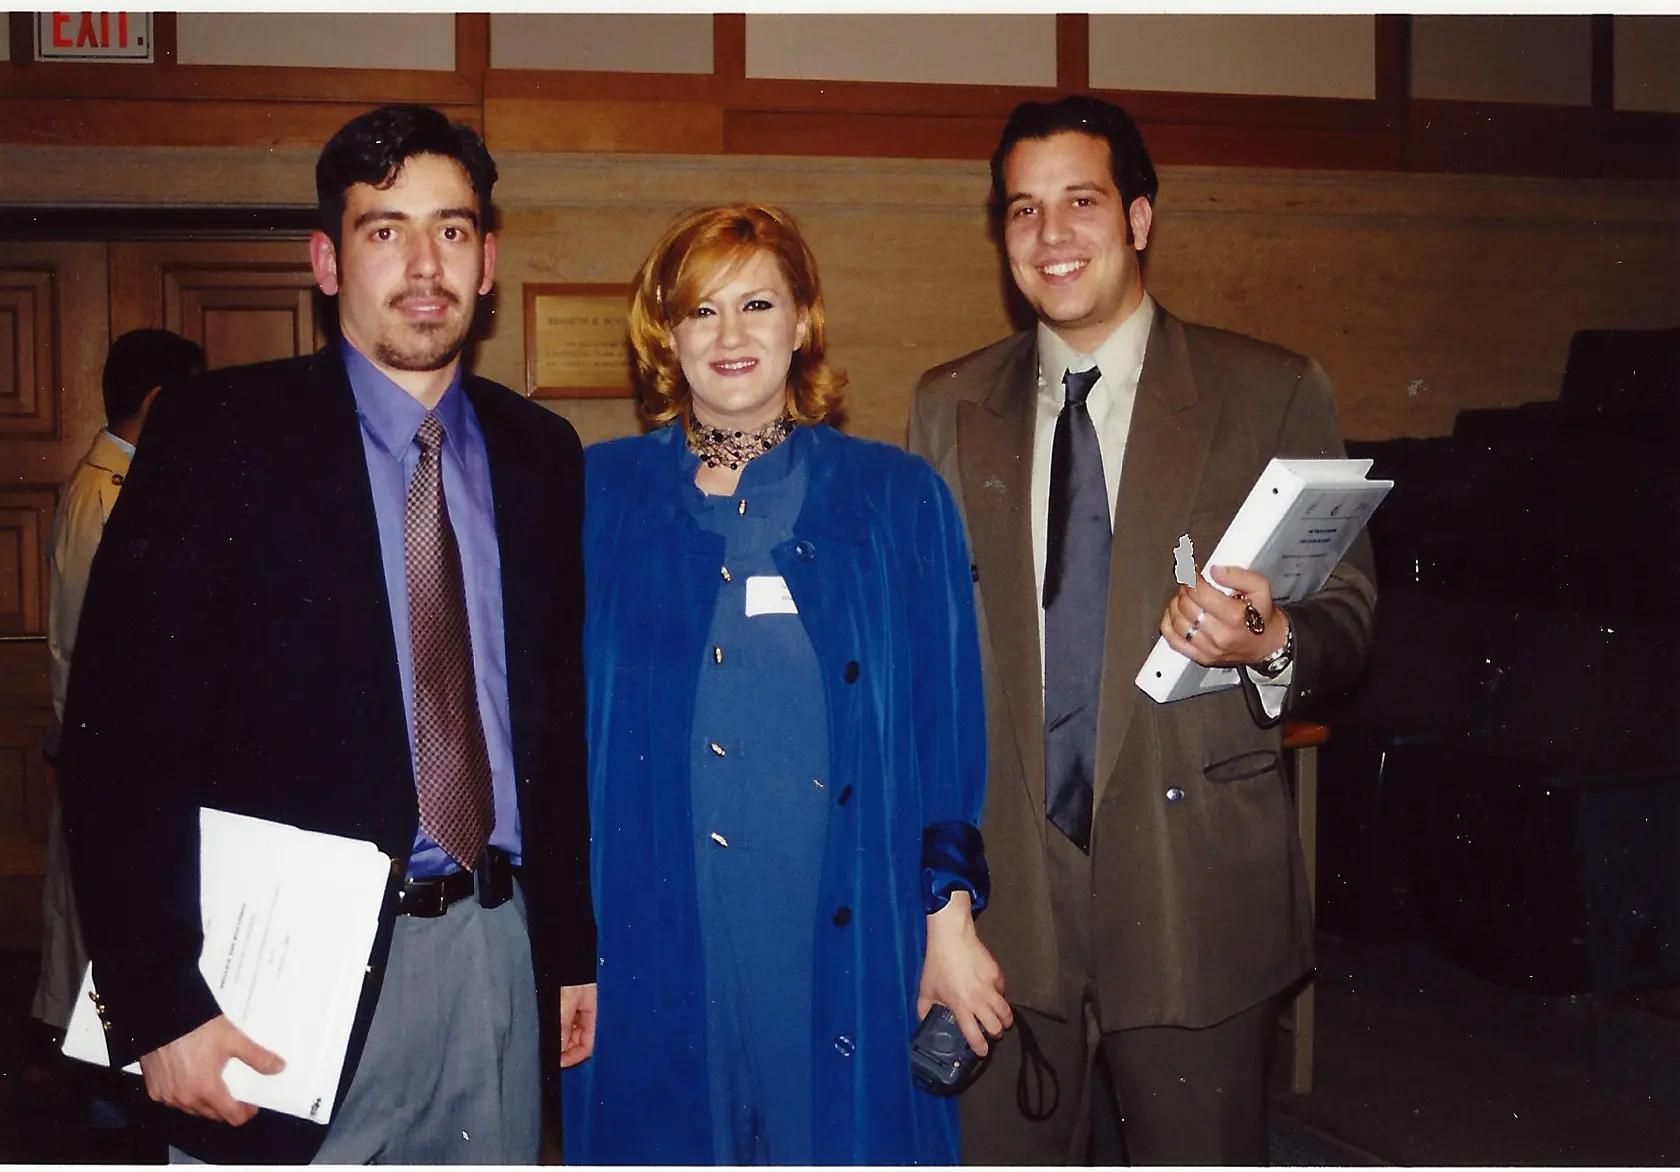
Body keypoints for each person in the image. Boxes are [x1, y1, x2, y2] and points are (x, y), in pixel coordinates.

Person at [57, 104, 596, 1165]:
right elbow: (118, 739)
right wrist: (155, 1000)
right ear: (327, 258)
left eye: (450, 229)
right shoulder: (220, 438)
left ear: (488, 261)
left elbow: (553, 721)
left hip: (495, 951)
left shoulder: (543, 453)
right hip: (276, 976)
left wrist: (570, 945)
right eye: (384, 229)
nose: (423, 263)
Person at [908, 95, 1377, 1165]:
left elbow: (1348, 614)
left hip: (1193, 892)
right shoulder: (948, 406)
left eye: (1081, 200)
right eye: (1022, 209)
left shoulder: (1267, 389)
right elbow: (925, 659)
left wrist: (1269, 639)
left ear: (1141, 218)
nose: (1051, 234)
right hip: (1005, 903)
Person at [563, 202, 1010, 1165]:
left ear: (802, 321)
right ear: (666, 334)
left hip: (844, 908)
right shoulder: (593, 498)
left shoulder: (896, 498)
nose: (731, 337)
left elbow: (945, 725)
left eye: (757, 304)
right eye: (701, 311)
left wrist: (951, 920)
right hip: (650, 918)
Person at [34, 328, 205, 1038]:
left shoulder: (123, 482)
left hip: (113, 745)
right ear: (162, 401)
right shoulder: (109, 494)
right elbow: (98, 642)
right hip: (115, 750)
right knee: (109, 935)